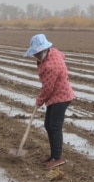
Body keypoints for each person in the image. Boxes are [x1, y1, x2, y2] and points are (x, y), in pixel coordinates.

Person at [24, 34, 75, 168]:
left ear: (43, 50)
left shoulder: (49, 67)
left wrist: (38, 102)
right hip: (55, 96)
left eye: (36, 53)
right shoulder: (54, 52)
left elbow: (47, 89)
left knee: (55, 127)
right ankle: (53, 155)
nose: (35, 56)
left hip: (61, 96)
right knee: (48, 125)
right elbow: (62, 56)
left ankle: (57, 158)